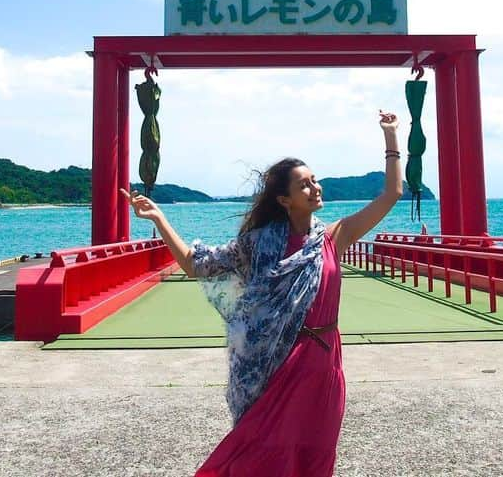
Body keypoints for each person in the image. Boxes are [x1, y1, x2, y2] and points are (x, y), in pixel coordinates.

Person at [122, 110, 403, 476]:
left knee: (316, 453)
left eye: (315, 180)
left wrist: (391, 135)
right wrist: (159, 219)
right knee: (263, 453)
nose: (315, 187)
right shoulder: (257, 245)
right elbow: (196, 264)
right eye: (304, 184)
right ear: (284, 199)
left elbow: (393, 192)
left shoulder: (335, 237)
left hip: (324, 361)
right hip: (276, 363)